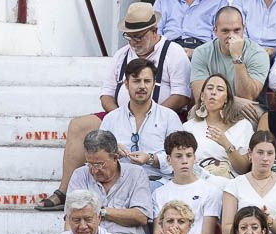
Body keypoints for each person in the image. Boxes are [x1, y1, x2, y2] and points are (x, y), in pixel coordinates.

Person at [36, 3, 191, 213]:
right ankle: (65, 191)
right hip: (120, 112)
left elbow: (181, 95)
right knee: (79, 125)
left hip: (162, 112)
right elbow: (106, 93)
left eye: (140, 36)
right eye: (130, 36)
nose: (135, 42)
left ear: (155, 31)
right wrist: (122, 115)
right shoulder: (122, 55)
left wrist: (149, 112)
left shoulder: (174, 53)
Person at [65, 130, 153, 234]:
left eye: (99, 164)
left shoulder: (136, 174)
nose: (94, 170)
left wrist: (101, 212)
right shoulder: (80, 175)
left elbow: (141, 216)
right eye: (90, 164)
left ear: (115, 157)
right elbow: (70, 217)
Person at [98, 59, 184, 189]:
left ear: (154, 84)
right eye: (136, 81)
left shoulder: (169, 117)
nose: (142, 86)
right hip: (119, 183)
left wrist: (151, 159)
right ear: (126, 84)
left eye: (147, 81)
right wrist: (112, 151)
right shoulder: (111, 118)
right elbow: (98, 157)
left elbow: (180, 157)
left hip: (158, 183)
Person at [154, 131, 220, 234]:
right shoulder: (159, 193)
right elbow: (157, 233)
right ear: (169, 159)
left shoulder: (210, 190)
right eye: (178, 156)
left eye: (189, 155)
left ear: (195, 158)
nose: (184, 161)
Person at [223, 130, 276, 234]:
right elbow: (226, 231)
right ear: (250, 153)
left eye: (270, 153)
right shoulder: (234, 185)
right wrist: (249, 226)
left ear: (275, 155)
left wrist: (268, 220)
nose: (265, 158)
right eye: (260, 152)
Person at [189, 6, 270, 104]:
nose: (231, 36)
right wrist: (236, 102)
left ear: (244, 29)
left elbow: (247, 97)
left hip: (247, 110)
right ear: (215, 31)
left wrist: (237, 58)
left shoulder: (258, 54)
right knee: (195, 112)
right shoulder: (201, 53)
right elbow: (201, 97)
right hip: (212, 109)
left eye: (237, 30)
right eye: (225, 31)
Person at [183, 74, 253, 180]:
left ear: (226, 98)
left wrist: (226, 144)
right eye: (210, 88)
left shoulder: (243, 126)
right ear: (202, 96)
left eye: (220, 89)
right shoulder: (188, 127)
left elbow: (244, 169)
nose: (213, 92)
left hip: (229, 184)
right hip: (197, 183)